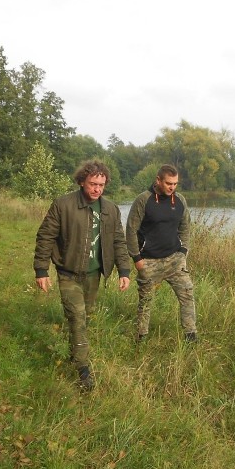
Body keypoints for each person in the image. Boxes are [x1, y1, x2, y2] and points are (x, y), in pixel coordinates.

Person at [34, 160, 131, 392]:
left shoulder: (111, 209)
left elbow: (118, 240)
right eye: (92, 184)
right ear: (81, 182)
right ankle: (83, 369)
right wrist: (41, 270)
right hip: (68, 271)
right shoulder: (63, 205)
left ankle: (73, 351)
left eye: (101, 185)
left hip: (94, 274)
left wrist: (124, 270)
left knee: (84, 317)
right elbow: (45, 236)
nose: (97, 189)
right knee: (77, 316)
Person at [126, 164, 198, 343]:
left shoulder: (180, 199)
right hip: (149, 261)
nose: (172, 187)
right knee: (146, 301)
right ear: (158, 180)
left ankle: (191, 336)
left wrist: (183, 251)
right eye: (168, 183)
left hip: (175, 260)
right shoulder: (143, 200)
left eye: (175, 184)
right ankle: (141, 337)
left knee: (188, 295)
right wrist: (137, 259)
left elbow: (186, 226)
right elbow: (130, 230)